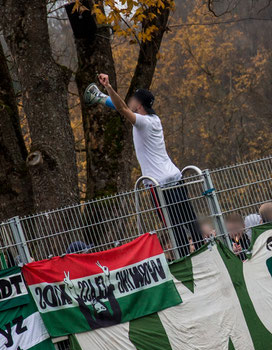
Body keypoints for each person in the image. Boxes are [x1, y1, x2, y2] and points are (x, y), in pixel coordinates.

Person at [85, 75, 202, 256]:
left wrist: (107, 87)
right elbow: (121, 107)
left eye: (133, 99)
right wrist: (101, 97)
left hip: (159, 185)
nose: (129, 101)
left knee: (173, 227)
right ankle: (205, 254)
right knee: (189, 220)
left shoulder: (143, 123)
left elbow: (122, 108)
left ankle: (185, 261)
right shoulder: (155, 120)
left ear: (139, 105)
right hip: (176, 178)